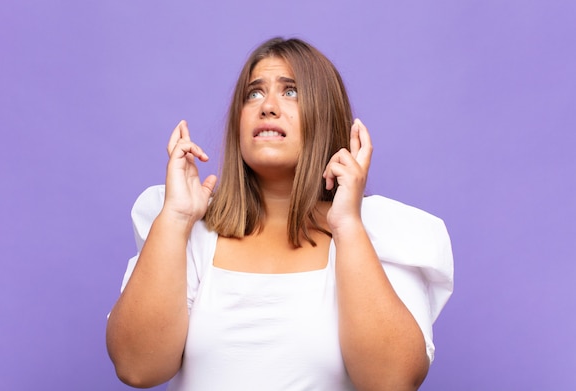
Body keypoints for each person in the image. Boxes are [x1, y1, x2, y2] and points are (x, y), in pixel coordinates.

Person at [106, 37, 453, 391]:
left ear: (325, 114)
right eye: (253, 94)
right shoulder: (190, 230)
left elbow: (392, 381)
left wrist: (347, 225)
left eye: (292, 92)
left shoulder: (381, 233)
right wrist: (177, 218)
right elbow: (137, 367)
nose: (268, 106)